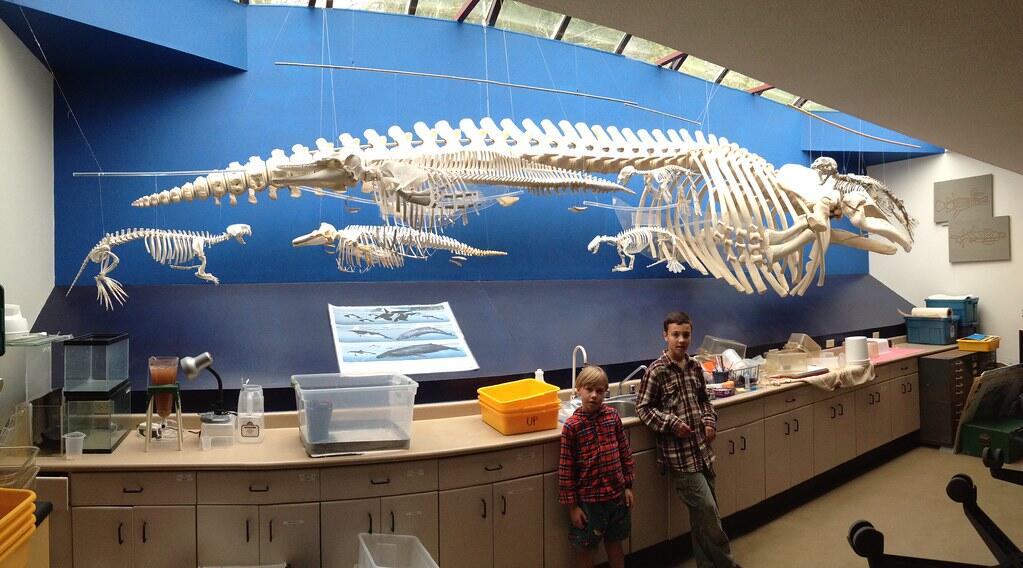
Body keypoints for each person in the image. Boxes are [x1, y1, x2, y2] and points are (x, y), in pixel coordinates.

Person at [635, 311, 741, 568]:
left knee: (702, 517)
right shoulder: (656, 371)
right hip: (680, 459)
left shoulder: (694, 367)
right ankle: (727, 564)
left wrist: (709, 421)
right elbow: (643, 407)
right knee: (708, 513)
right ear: (665, 336)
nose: (681, 340)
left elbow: (705, 401)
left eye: (685, 335)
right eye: (675, 335)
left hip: (703, 453)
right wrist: (671, 424)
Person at [559, 365, 635, 568]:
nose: (594, 395)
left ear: (605, 392)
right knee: (587, 549)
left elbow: (624, 453)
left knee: (615, 543)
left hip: (616, 497)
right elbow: (566, 471)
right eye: (589, 389)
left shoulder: (612, 417)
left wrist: (628, 485)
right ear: (578, 390)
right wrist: (572, 507)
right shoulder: (572, 426)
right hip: (589, 502)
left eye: (599, 391)